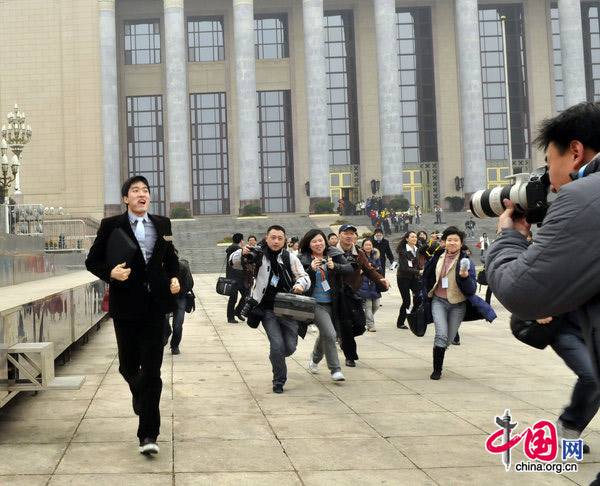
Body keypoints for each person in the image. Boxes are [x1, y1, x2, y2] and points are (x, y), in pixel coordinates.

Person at [483, 103, 600, 483]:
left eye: (550, 162)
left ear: (576, 153)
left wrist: (509, 238)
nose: (549, 180)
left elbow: (522, 291)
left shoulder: (585, 196)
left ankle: (567, 433)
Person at [85, 175, 180, 455]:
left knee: (153, 372)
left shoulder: (162, 224)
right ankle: (142, 395)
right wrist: (110, 273)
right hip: (126, 306)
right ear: (126, 198)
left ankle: (148, 434)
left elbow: (171, 260)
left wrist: (175, 279)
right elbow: (92, 260)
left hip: (155, 307)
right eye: (136, 191)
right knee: (128, 367)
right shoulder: (111, 225)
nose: (142, 195)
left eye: (146, 191)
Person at [229, 225, 310, 393]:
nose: (276, 241)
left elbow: (304, 276)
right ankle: (279, 380)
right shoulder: (257, 255)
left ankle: (277, 356)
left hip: (287, 308)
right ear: (266, 238)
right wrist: (241, 253)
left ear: (285, 240)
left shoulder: (289, 258)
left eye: (280, 238)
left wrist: (300, 285)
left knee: (289, 346)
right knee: (277, 344)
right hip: (266, 310)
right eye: (273, 237)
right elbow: (234, 263)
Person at [422, 226, 496, 380]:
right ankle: (437, 370)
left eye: (456, 240)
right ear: (444, 242)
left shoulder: (465, 261)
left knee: (449, 339)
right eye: (449, 240)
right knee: (441, 335)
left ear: (461, 243)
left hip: (458, 303)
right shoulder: (437, 257)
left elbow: (471, 290)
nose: (452, 243)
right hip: (438, 301)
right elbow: (427, 276)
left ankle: (440, 350)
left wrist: (464, 277)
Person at [298, 229, 352, 381]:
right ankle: (335, 369)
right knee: (330, 334)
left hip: (334, 302)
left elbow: (349, 269)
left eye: (320, 240)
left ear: (325, 241)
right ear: (309, 244)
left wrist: (335, 266)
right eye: (314, 241)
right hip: (315, 303)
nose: (318, 244)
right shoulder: (303, 258)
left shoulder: (334, 254)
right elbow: (297, 277)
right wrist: (310, 269)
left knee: (325, 334)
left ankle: (315, 358)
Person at [336, 224, 390, 366]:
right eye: (345, 233)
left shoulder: (359, 253)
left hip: (354, 294)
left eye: (352, 233)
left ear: (355, 237)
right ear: (339, 235)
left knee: (360, 326)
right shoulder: (331, 252)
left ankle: (342, 337)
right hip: (337, 295)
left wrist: (380, 279)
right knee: (346, 324)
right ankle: (350, 356)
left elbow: (369, 270)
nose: (349, 236)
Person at [164, 250, 194, 354]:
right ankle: (166, 333)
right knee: (164, 320)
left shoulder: (183, 267)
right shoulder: (161, 268)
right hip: (166, 298)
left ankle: (175, 345)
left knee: (177, 325)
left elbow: (189, 284)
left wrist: (177, 289)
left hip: (180, 298)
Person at [396, 231, 422, 329]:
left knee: (419, 299)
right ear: (407, 239)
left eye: (416, 237)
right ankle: (400, 322)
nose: (415, 239)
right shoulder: (402, 251)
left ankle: (413, 318)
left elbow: (416, 265)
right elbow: (404, 268)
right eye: (412, 237)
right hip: (403, 278)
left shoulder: (417, 249)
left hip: (414, 278)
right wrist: (419, 272)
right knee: (406, 301)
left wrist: (421, 270)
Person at [360, 237, 382, 332]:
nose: (368, 247)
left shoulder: (376, 255)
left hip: (374, 283)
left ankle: (366, 319)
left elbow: (380, 267)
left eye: (370, 245)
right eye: (366, 245)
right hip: (364, 283)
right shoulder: (360, 256)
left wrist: (373, 267)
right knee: (368, 305)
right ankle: (370, 325)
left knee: (376, 305)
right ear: (363, 246)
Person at [225, 233, 247, 323]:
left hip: (237, 276)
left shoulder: (232, 247)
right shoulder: (237, 249)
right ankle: (231, 317)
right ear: (241, 240)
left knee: (245, 296)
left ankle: (237, 312)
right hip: (235, 277)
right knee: (234, 298)